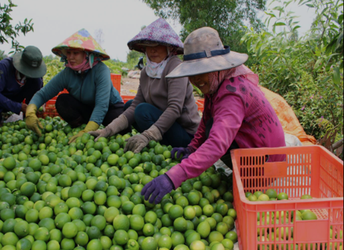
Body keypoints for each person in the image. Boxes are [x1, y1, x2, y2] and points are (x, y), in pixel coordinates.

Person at [141, 27, 286, 204]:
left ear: (219, 67)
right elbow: (207, 119)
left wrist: (172, 177)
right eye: (192, 74)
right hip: (256, 154)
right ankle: (244, 178)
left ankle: (252, 185)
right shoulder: (217, 84)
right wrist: (191, 148)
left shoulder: (232, 93)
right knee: (210, 126)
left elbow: (217, 142)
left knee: (214, 133)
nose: (197, 80)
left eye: (203, 71)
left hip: (268, 165)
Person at [89, 18, 201, 153]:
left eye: (157, 45)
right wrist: (109, 130)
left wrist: (148, 135)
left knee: (142, 111)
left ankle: (157, 144)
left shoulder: (176, 68)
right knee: (130, 105)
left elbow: (174, 108)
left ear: (168, 47)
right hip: (163, 127)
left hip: (186, 134)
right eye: (149, 46)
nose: (152, 50)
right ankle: (153, 144)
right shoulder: (146, 72)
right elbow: (135, 105)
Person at [25, 29, 125, 139]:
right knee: (62, 101)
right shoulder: (67, 73)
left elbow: (102, 105)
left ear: (86, 54)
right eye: (68, 53)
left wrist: (88, 130)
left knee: (121, 129)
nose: (70, 57)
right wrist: (30, 111)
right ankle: (81, 126)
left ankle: (92, 126)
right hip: (87, 109)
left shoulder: (101, 70)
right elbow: (43, 94)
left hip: (110, 107)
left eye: (75, 53)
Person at [0, 46, 47, 126]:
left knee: (37, 81)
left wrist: (40, 102)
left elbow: (40, 91)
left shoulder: (35, 77)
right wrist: (19, 107)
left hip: (17, 96)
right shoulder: (4, 66)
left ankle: (27, 120)